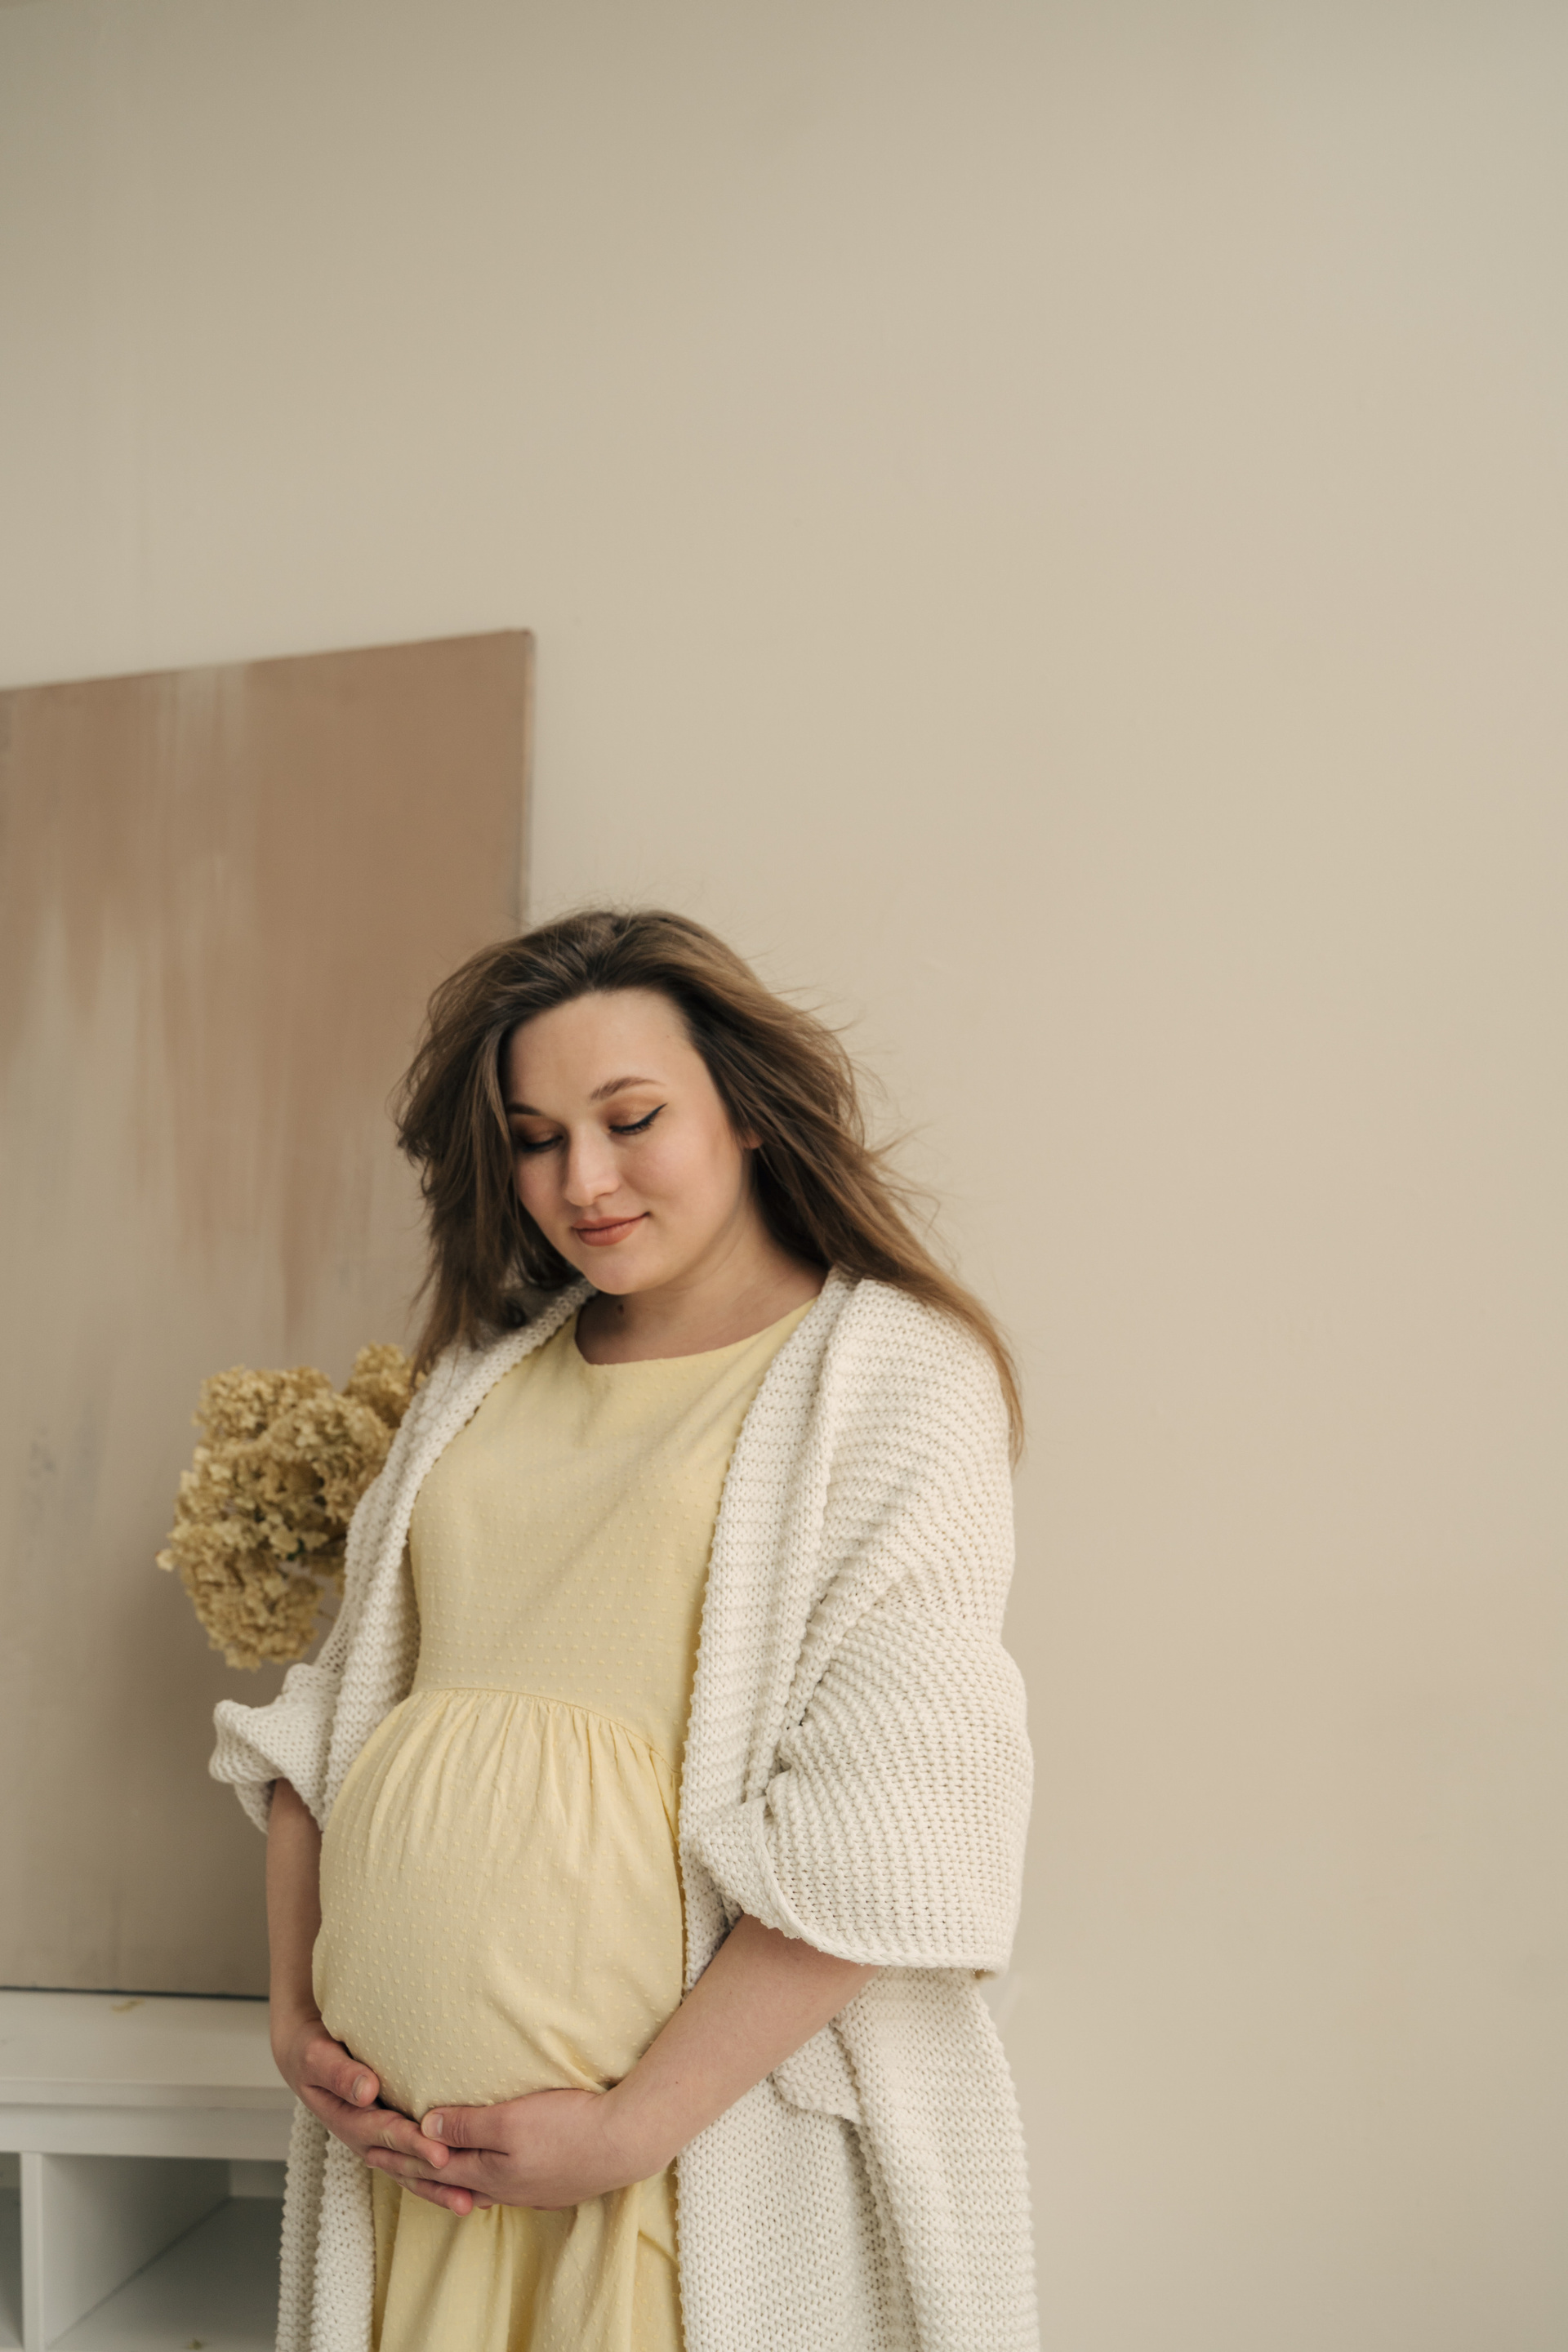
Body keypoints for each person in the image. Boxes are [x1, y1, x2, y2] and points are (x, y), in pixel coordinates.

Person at [211, 907, 1036, 2352]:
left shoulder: (895, 1380)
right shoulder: (481, 1378)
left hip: (682, 2182)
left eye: (631, 1119)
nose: (581, 1181)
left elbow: (889, 1820)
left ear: (748, 1111)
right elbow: (328, 1724)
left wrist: (628, 2128)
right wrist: (296, 2020)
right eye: (535, 1139)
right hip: (413, 2182)